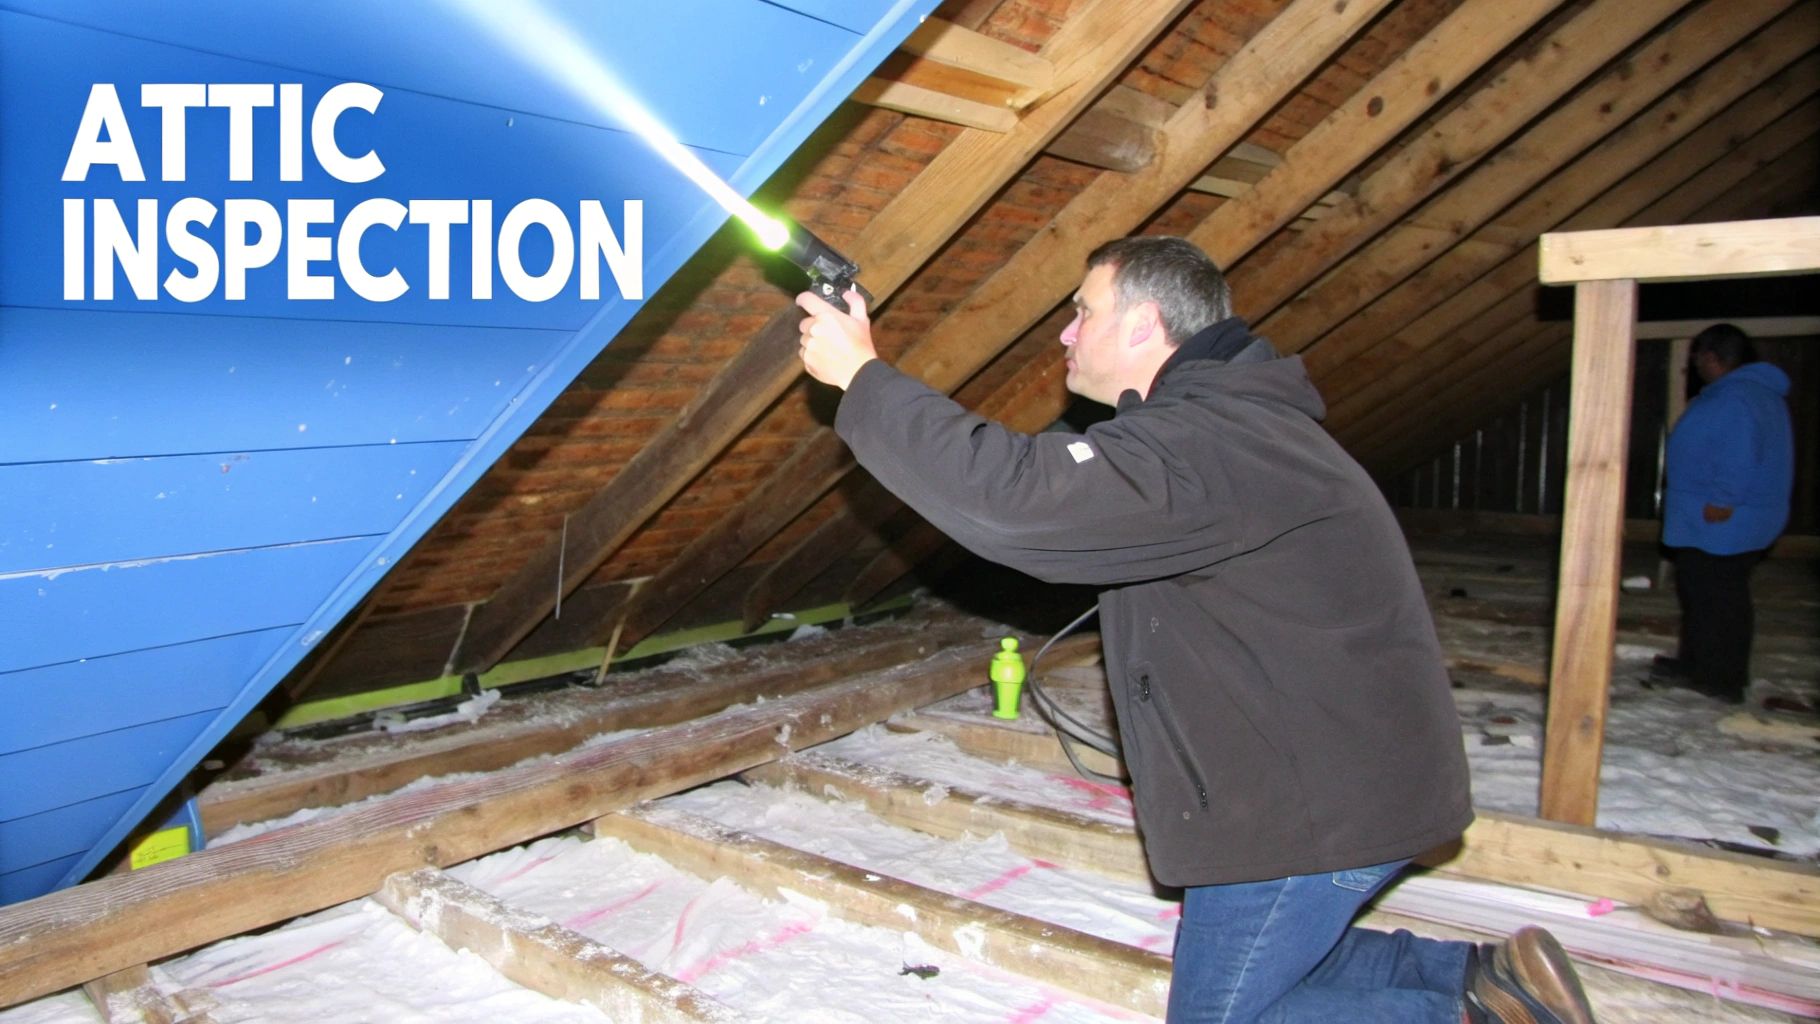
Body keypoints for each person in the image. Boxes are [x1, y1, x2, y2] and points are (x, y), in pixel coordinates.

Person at [795, 235, 1597, 1023]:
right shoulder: (1223, 426)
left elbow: (1017, 500)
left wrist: (864, 381)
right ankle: (1478, 981)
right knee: (1256, 959)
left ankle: (1485, 1016)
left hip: (1310, 806)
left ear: (1144, 324)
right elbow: (1027, 477)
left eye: (1083, 312)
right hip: (1321, 777)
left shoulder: (1213, 442)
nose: (1067, 333)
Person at [1653, 324, 1795, 704]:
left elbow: (1739, 453)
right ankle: (1696, 664)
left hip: (1725, 517)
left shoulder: (1737, 398)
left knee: (1720, 598)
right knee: (1703, 592)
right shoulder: (1750, 394)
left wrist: (1723, 498)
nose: (1695, 365)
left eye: (1697, 357)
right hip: (1727, 518)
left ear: (1713, 357)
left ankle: (1722, 678)